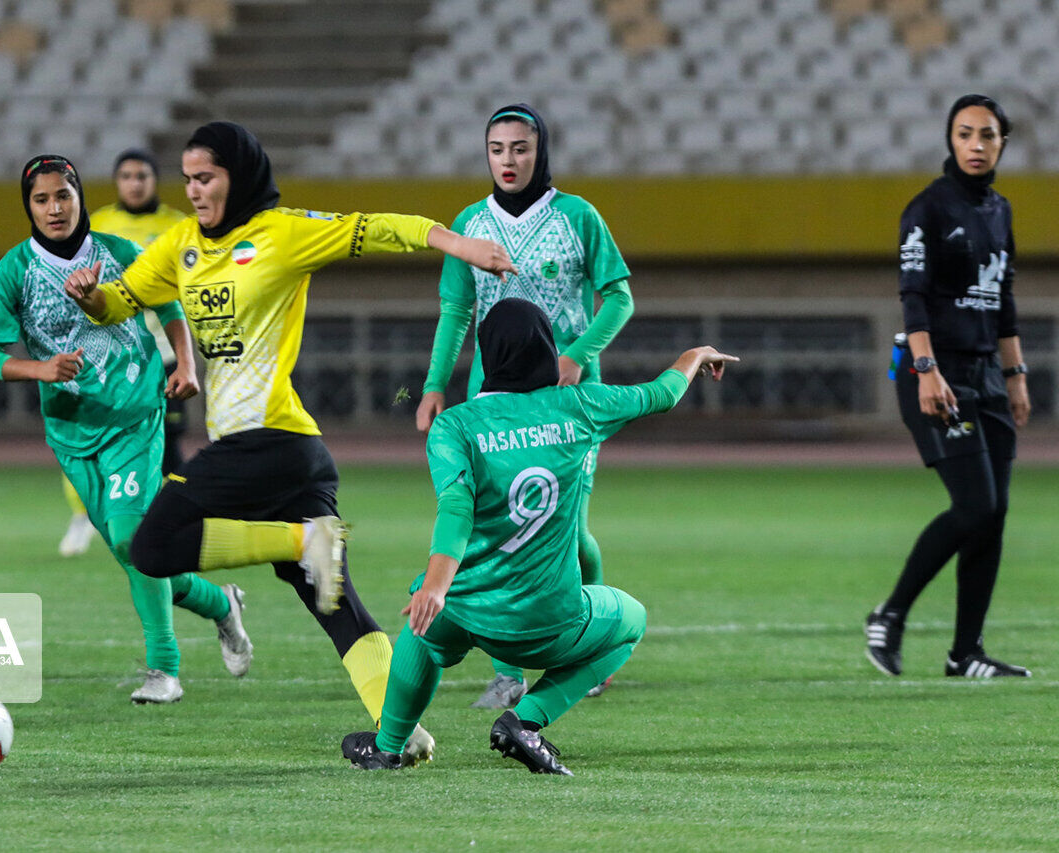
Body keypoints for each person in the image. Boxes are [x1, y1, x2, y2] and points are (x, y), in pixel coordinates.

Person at [63, 121, 517, 759]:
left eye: (207, 178)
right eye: (188, 178)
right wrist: (92, 299)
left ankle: (303, 542)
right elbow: (123, 300)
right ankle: (403, 735)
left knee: (154, 544)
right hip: (289, 456)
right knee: (335, 607)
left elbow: (377, 227)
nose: (193, 190)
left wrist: (459, 244)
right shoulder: (180, 245)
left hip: (269, 441)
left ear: (239, 176)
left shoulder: (280, 233)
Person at [342, 299, 737, 774]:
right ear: (548, 351)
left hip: (470, 611)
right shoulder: (579, 404)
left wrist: (436, 586)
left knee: (423, 627)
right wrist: (693, 355)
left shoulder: (456, 425)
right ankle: (525, 721)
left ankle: (388, 746)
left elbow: (456, 509)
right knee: (632, 620)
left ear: (486, 358)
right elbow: (661, 393)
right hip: (548, 623)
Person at [0, 153, 253, 704]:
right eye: (41, 199)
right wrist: (39, 369)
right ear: (28, 207)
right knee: (136, 554)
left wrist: (187, 365)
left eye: (63, 196)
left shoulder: (119, 253)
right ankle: (222, 604)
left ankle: (164, 671)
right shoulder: (15, 271)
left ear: (80, 197)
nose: (54, 208)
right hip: (72, 431)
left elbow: (172, 305)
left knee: (132, 537)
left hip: (133, 415)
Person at [415, 103, 635, 708]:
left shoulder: (578, 216)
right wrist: (435, 385)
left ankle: (581, 640)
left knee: (573, 530)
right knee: (495, 524)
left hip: (565, 401)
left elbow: (618, 298)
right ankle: (512, 667)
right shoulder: (469, 222)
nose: (508, 160)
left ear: (542, 152)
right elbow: (457, 311)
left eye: (520, 148)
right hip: (493, 400)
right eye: (497, 149)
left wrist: (578, 354)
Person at [866, 94, 1032, 679]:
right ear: (951, 140)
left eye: (988, 135)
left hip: (987, 373)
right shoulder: (928, 209)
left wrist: (1014, 376)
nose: (977, 145)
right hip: (934, 370)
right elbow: (912, 296)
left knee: (995, 514)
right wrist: (929, 368)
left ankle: (966, 654)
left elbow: (1003, 301)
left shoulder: (1001, 212)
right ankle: (889, 613)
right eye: (965, 134)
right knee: (976, 505)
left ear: (1002, 143)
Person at [57, 148, 190, 558]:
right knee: (90, 435)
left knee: (168, 439)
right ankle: (85, 517)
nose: (135, 183)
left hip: (162, 348)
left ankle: (174, 519)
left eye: (143, 175)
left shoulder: (178, 225)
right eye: (128, 176)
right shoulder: (97, 224)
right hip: (110, 352)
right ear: (117, 181)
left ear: (155, 180)